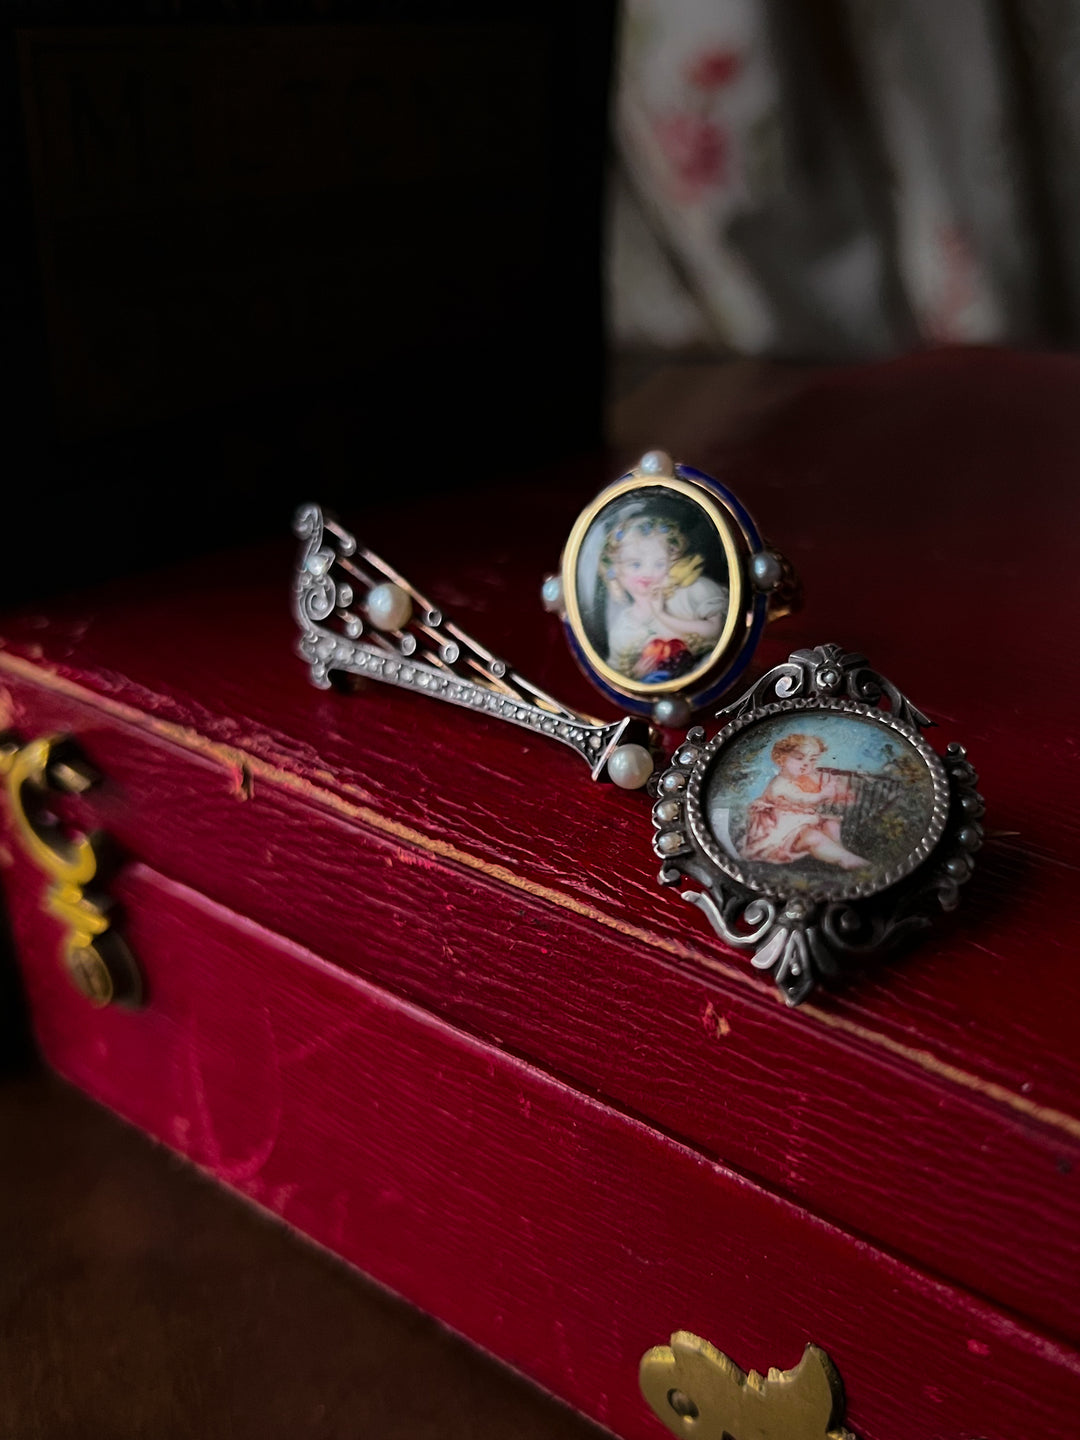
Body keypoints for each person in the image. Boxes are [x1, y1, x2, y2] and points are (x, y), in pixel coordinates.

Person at [602, 514, 728, 682]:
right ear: (616, 570)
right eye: (635, 564)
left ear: (672, 561)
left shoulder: (694, 591)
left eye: (659, 564)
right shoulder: (622, 629)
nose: (647, 573)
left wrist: (662, 615)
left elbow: (716, 630)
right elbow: (615, 677)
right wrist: (634, 674)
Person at [742, 733, 869, 871]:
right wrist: (822, 794)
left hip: (800, 824)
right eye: (799, 758)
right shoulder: (779, 785)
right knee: (813, 837)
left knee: (831, 824)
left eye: (812, 760)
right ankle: (844, 860)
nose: (805, 765)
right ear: (781, 759)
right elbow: (803, 799)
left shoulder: (799, 780)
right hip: (780, 833)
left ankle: (837, 853)